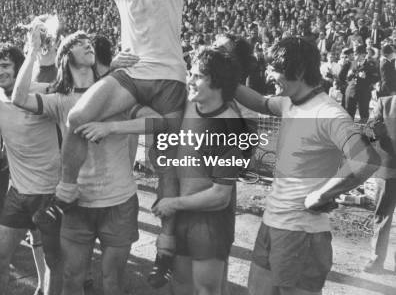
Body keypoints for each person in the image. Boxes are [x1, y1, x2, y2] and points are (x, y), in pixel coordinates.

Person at [48, 0, 187, 286]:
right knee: (77, 118)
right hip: (132, 72)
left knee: (166, 165)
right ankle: (65, 190)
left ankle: (165, 252)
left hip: (169, 77)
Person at [13, 26, 158, 295]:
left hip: (119, 199)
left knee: (111, 280)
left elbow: (159, 122)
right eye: (80, 42)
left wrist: (112, 128)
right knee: (71, 277)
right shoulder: (60, 99)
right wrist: (32, 51)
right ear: (66, 56)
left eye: (89, 42)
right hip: (77, 202)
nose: (89, 44)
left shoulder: (116, 94)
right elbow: (19, 98)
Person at [235, 37, 379, 295]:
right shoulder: (289, 102)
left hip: (302, 234)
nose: (270, 75)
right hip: (272, 225)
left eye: (276, 69)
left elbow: (365, 160)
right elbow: (260, 102)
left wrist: (322, 194)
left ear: (299, 71)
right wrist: (221, 77)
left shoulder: (328, 113)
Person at [153, 49, 246, 295]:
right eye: (190, 74)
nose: (189, 81)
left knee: (207, 291)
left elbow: (219, 196)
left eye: (197, 77)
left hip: (210, 222)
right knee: (181, 287)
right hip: (183, 215)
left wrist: (173, 203)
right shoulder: (190, 104)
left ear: (216, 83)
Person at [0, 42, 62, 295]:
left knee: (55, 262)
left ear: (19, 68)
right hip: (18, 193)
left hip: (51, 193)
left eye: (6, 65)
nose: (0, 72)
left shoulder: (44, 91)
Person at [363, 95, 396, 273]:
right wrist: (375, 129)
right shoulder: (385, 103)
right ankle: (376, 260)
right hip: (389, 168)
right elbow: (368, 131)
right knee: (382, 216)